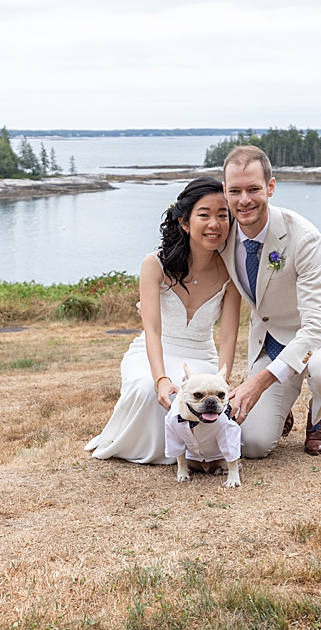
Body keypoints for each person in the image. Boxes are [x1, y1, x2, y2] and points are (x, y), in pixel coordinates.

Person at [85, 178, 242, 464]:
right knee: (147, 389)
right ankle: (155, 449)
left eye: (223, 215)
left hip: (200, 354)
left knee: (202, 401)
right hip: (154, 349)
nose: (215, 224)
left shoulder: (232, 271)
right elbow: (152, 329)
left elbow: (229, 336)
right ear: (184, 222)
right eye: (204, 214)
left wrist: (223, 381)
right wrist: (160, 379)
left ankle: (197, 449)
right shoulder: (154, 264)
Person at [220, 145, 321, 458]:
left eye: (254, 189)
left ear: (271, 187)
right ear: (225, 192)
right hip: (271, 339)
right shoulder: (222, 235)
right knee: (253, 446)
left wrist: (258, 382)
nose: (244, 200)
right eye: (236, 191)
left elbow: (315, 326)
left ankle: (319, 410)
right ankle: (280, 408)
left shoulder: (305, 238)